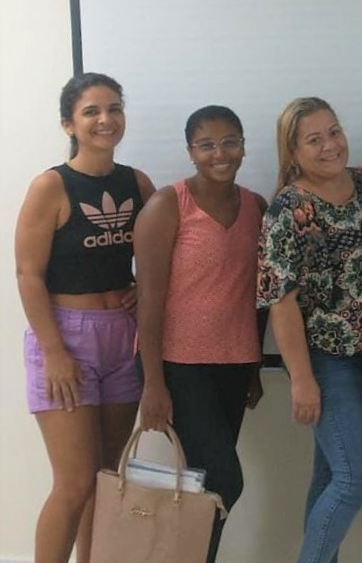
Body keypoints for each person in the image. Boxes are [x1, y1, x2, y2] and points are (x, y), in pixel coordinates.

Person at [14, 73, 155, 563]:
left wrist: (141, 289)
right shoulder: (51, 186)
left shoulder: (137, 183)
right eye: (91, 111)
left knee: (106, 478)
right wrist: (54, 352)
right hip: (66, 338)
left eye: (114, 108)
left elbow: (159, 257)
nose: (105, 119)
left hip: (123, 338)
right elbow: (28, 274)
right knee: (73, 483)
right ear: (68, 124)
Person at [134, 105, 267, 563]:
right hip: (177, 366)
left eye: (230, 142)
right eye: (206, 145)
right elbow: (148, 299)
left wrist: (255, 369)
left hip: (234, 362)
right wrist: (153, 384)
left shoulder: (256, 207)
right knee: (224, 479)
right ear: (190, 151)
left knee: (205, 484)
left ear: (244, 146)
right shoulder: (167, 205)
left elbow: (258, 297)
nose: (220, 153)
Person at [257, 97, 362, 563]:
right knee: (356, 477)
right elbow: (281, 301)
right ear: (293, 152)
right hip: (327, 363)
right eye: (314, 139)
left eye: (334, 131)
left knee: (333, 475)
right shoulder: (289, 208)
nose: (331, 145)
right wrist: (302, 379)